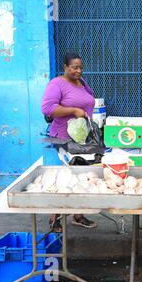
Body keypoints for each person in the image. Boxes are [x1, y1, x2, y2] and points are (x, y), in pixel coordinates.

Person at [41, 52, 97, 232]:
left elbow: (88, 103)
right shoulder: (57, 84)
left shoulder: (83, 83)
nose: (78, 71)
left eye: (80, 67)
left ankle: (78, 215)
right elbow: (48, 108)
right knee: (65, 177)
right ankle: (54, 218)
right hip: (64, 139)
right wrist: (73, 110)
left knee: (81, 175)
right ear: (65, 67)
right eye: (74, 67)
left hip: (82, 139)